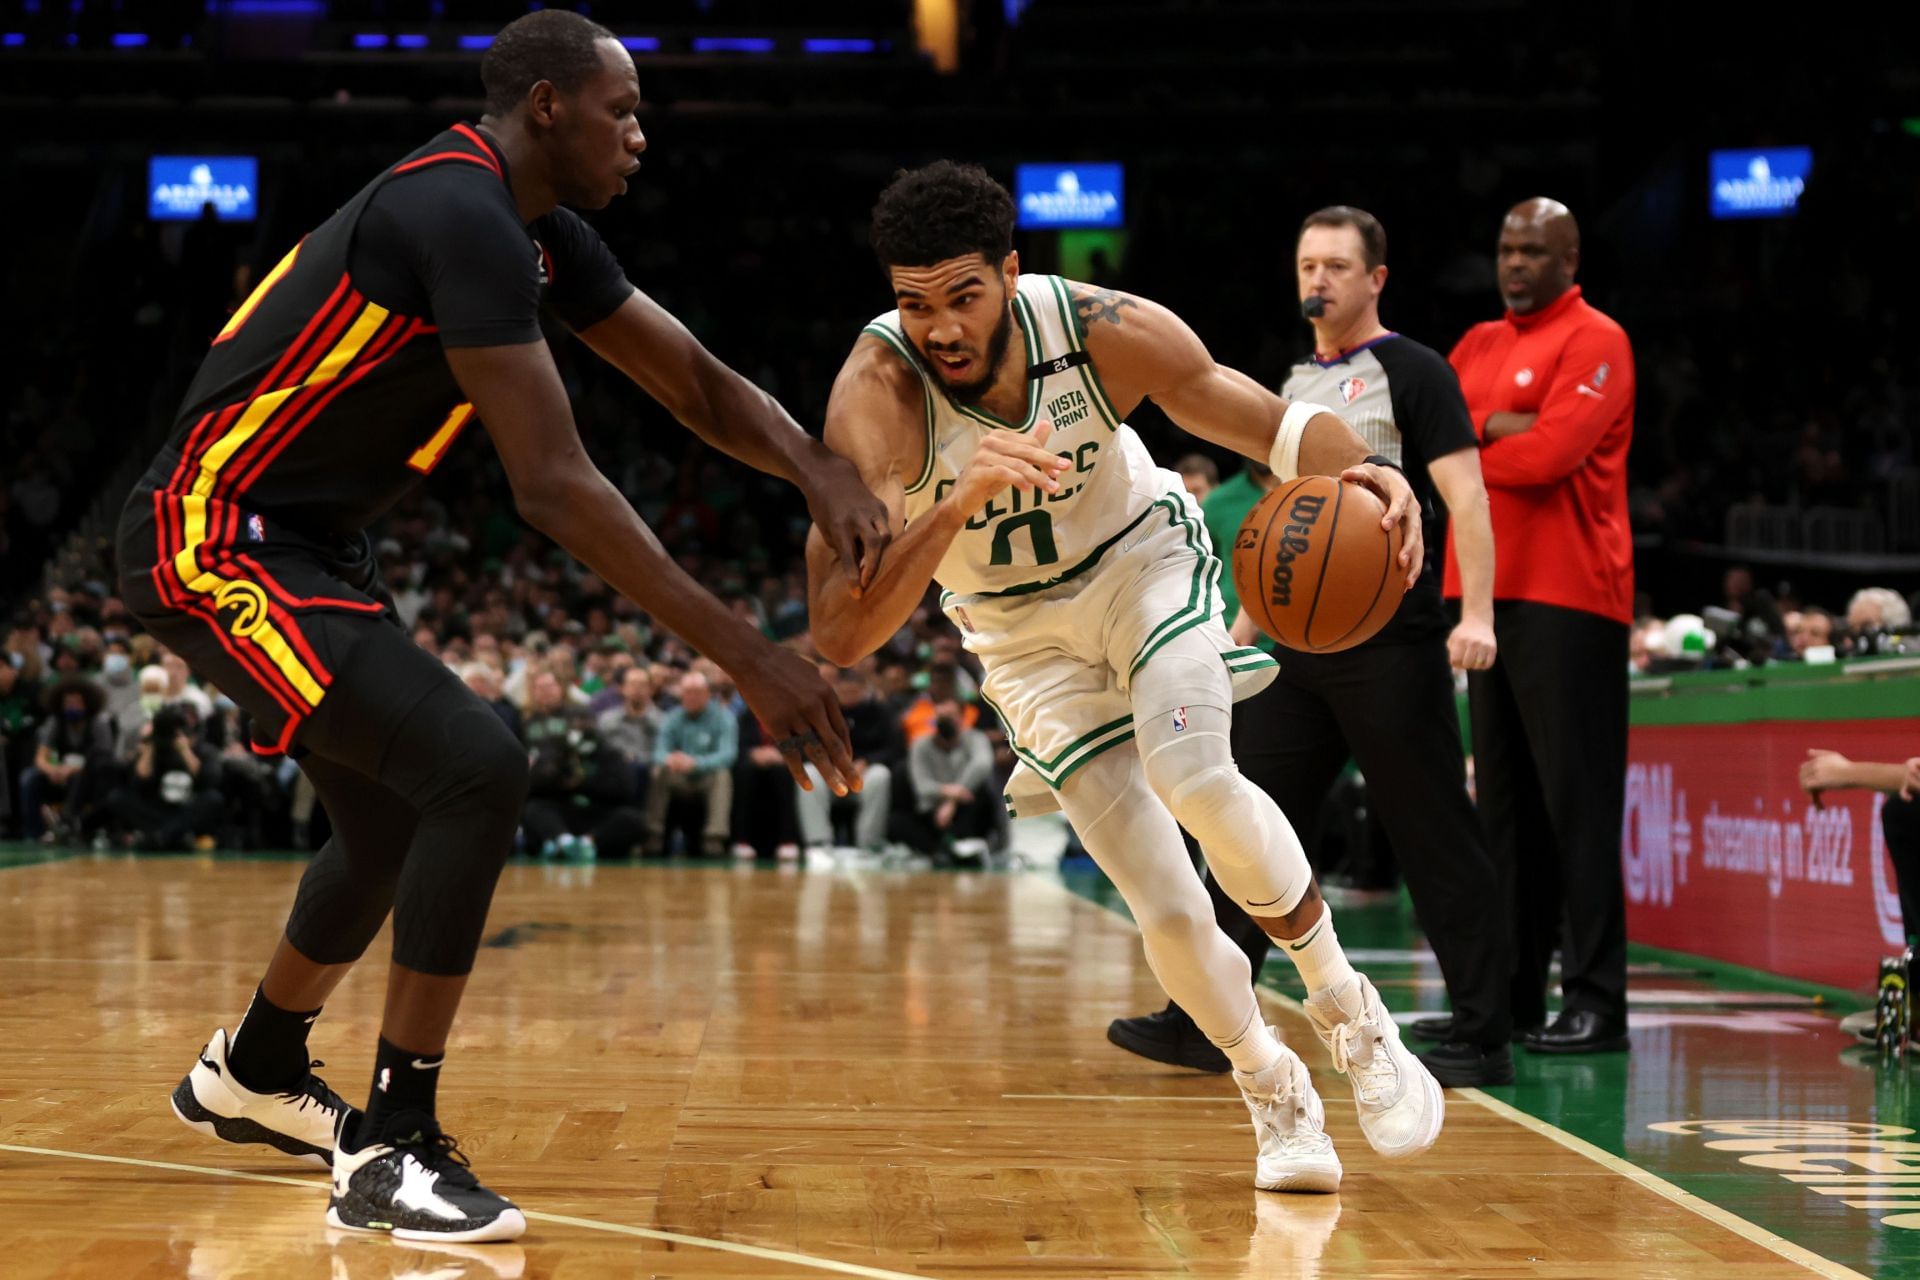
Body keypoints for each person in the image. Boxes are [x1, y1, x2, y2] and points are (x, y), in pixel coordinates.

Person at [117, 9, 886, 1243]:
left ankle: (256, 1067)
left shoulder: (533, 234)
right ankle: (392, 1142)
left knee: (385, 816)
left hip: (309, 542)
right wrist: (751, 654)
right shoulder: (457, 211)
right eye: (621, 110)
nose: (640, 133)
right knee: (473, 763)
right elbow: (554, 485)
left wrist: (813, 465)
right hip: (212, 531)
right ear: (545, 105)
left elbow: (688, 378)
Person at [806, 161, 1441, 1193]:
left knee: (1193, 771)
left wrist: (1365, 468)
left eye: (964, 295)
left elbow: (1255, 418)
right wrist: (955, 503)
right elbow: (840, 629)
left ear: (1012, 274)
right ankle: (1269, 1083)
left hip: (1141, 566)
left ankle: (1349, 1011)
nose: (943, 328)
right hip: (1021, 638)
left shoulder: (1100, 325)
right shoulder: (876, 395)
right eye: (915, 303)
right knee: (1164, 898)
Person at [1106, 206, 1512, 1086]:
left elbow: (1467, 498)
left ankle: (1485, 1031)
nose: (1317, 280)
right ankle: (1201, 1018)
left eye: (1335, 265)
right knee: (1238, 815)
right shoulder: (1291, 381)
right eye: (1306, 265)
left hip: (1390, 639)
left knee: (1431, 827)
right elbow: (1283, 540)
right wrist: (1238, 635)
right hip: (1296, 643)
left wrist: (1472, 614)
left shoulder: (1416, 372)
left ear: (1376, 280)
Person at [1443, 198, 1635, 1054]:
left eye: (1532, 250)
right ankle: (1513, 998)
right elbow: (1427, 445)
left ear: (1569, 255)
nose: (1514, 262)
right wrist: (1498, 429)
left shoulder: (1599, 339)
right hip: (1481, 597)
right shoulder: (1477, 344)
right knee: (1505, 813)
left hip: (1572, 598)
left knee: (1578, 807)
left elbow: (1553, 453)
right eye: (1505, 248)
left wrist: (1472, 442)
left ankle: (1597, 1000)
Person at [644, 671, 739, 857]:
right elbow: (659, 752)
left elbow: (728, 754)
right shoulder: (672, 717)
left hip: (706, 776)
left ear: (708, 694)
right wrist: (670, 759)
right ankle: (654, 835)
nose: (691, 696)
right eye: (687, 692)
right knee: (659, 771)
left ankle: (714, 838)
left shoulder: (724, 717)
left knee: (722, 775)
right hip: (678, 775)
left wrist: (696, 763)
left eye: (697, 692)